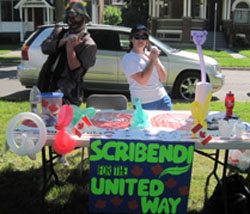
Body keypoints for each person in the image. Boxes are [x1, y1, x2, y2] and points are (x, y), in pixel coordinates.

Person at [37, 0, 97, 166]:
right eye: (69, 17)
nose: (72, 20)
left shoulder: (88, 44)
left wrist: (71, 49)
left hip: (68, 89)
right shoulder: (59, 32)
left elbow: (75, 73)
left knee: (65, 125)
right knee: (48, 122)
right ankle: (50, 154)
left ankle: (62, 154)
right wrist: (64, 42)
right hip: (47, 82)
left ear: (84, 18)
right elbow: (45, 47)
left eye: (75, 17)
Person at [122, 25, 173, 111]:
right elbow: (142, 80)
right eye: (137, 37)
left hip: (162, 98)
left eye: (144, 37)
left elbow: (163, 78)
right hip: (143, 103)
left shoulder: (151, 55)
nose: (140, 40)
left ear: (147, 41)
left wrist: (155, 59)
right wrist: (152, 61)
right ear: (131, 39)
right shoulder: (128, 58)